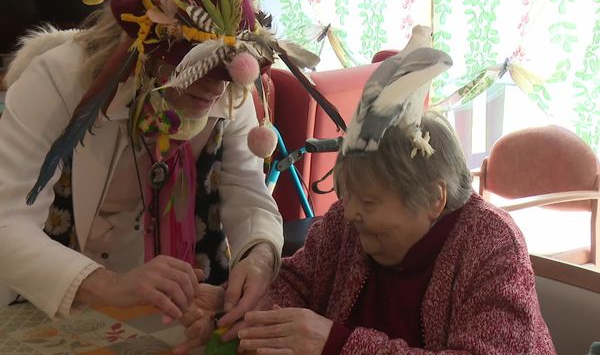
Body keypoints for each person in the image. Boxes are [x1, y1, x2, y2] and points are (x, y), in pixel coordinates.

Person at [0, 0, 314, 327]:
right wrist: (108, 285)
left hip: (168, 311)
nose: (215, 89)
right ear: (147, 48)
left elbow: (246, 192)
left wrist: (259, 256)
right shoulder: (58, 80)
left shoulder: (228, 89)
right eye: (199, 66)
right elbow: (7, 222)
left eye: (225, 74)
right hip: (55, 296)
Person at [179, 46, 557, 354]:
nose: (352, 214)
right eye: (348, 196)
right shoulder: (346, 222)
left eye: (370, 202)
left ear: (434, 198)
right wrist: (242, 309)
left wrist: (337, 343)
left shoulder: (491, 244)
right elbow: (296, 282)